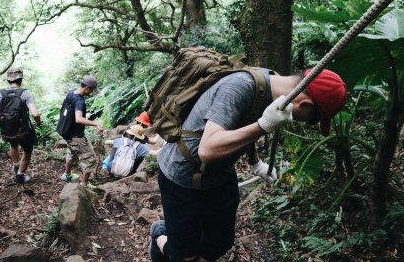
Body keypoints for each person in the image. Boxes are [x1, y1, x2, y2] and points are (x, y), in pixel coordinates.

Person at [149, 68, 347, 262]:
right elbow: (208, 150)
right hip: (182, 177)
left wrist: (256, 163)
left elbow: (243, 120)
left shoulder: (272, 87)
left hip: (220, 174)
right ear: (304, 105)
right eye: (312, 120)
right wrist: (263, 126)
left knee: (218, 244)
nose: (305, 123)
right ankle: (159, 236)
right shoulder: (240, 87)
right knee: (184, 256)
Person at [0, 67, 42, 184]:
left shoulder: (0, 94)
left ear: (8, 80)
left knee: (13, 144)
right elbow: (35, 113)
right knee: (28, 151)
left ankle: (16, 165)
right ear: (20, 80)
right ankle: (20, 176)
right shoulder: (25, 93)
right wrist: (38, 122)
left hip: (7, 130)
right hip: (23, 130)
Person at [60, 75, 104, 186]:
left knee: (72, 152)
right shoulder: (80, 101)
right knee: (90, 159)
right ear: (87, 88)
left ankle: (67, 174)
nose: (91, 92)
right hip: (76, 136)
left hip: (67, 133)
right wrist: (96, 124)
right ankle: (84, 184)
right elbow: (78, 119)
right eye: (92, 90)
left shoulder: (71, 93)